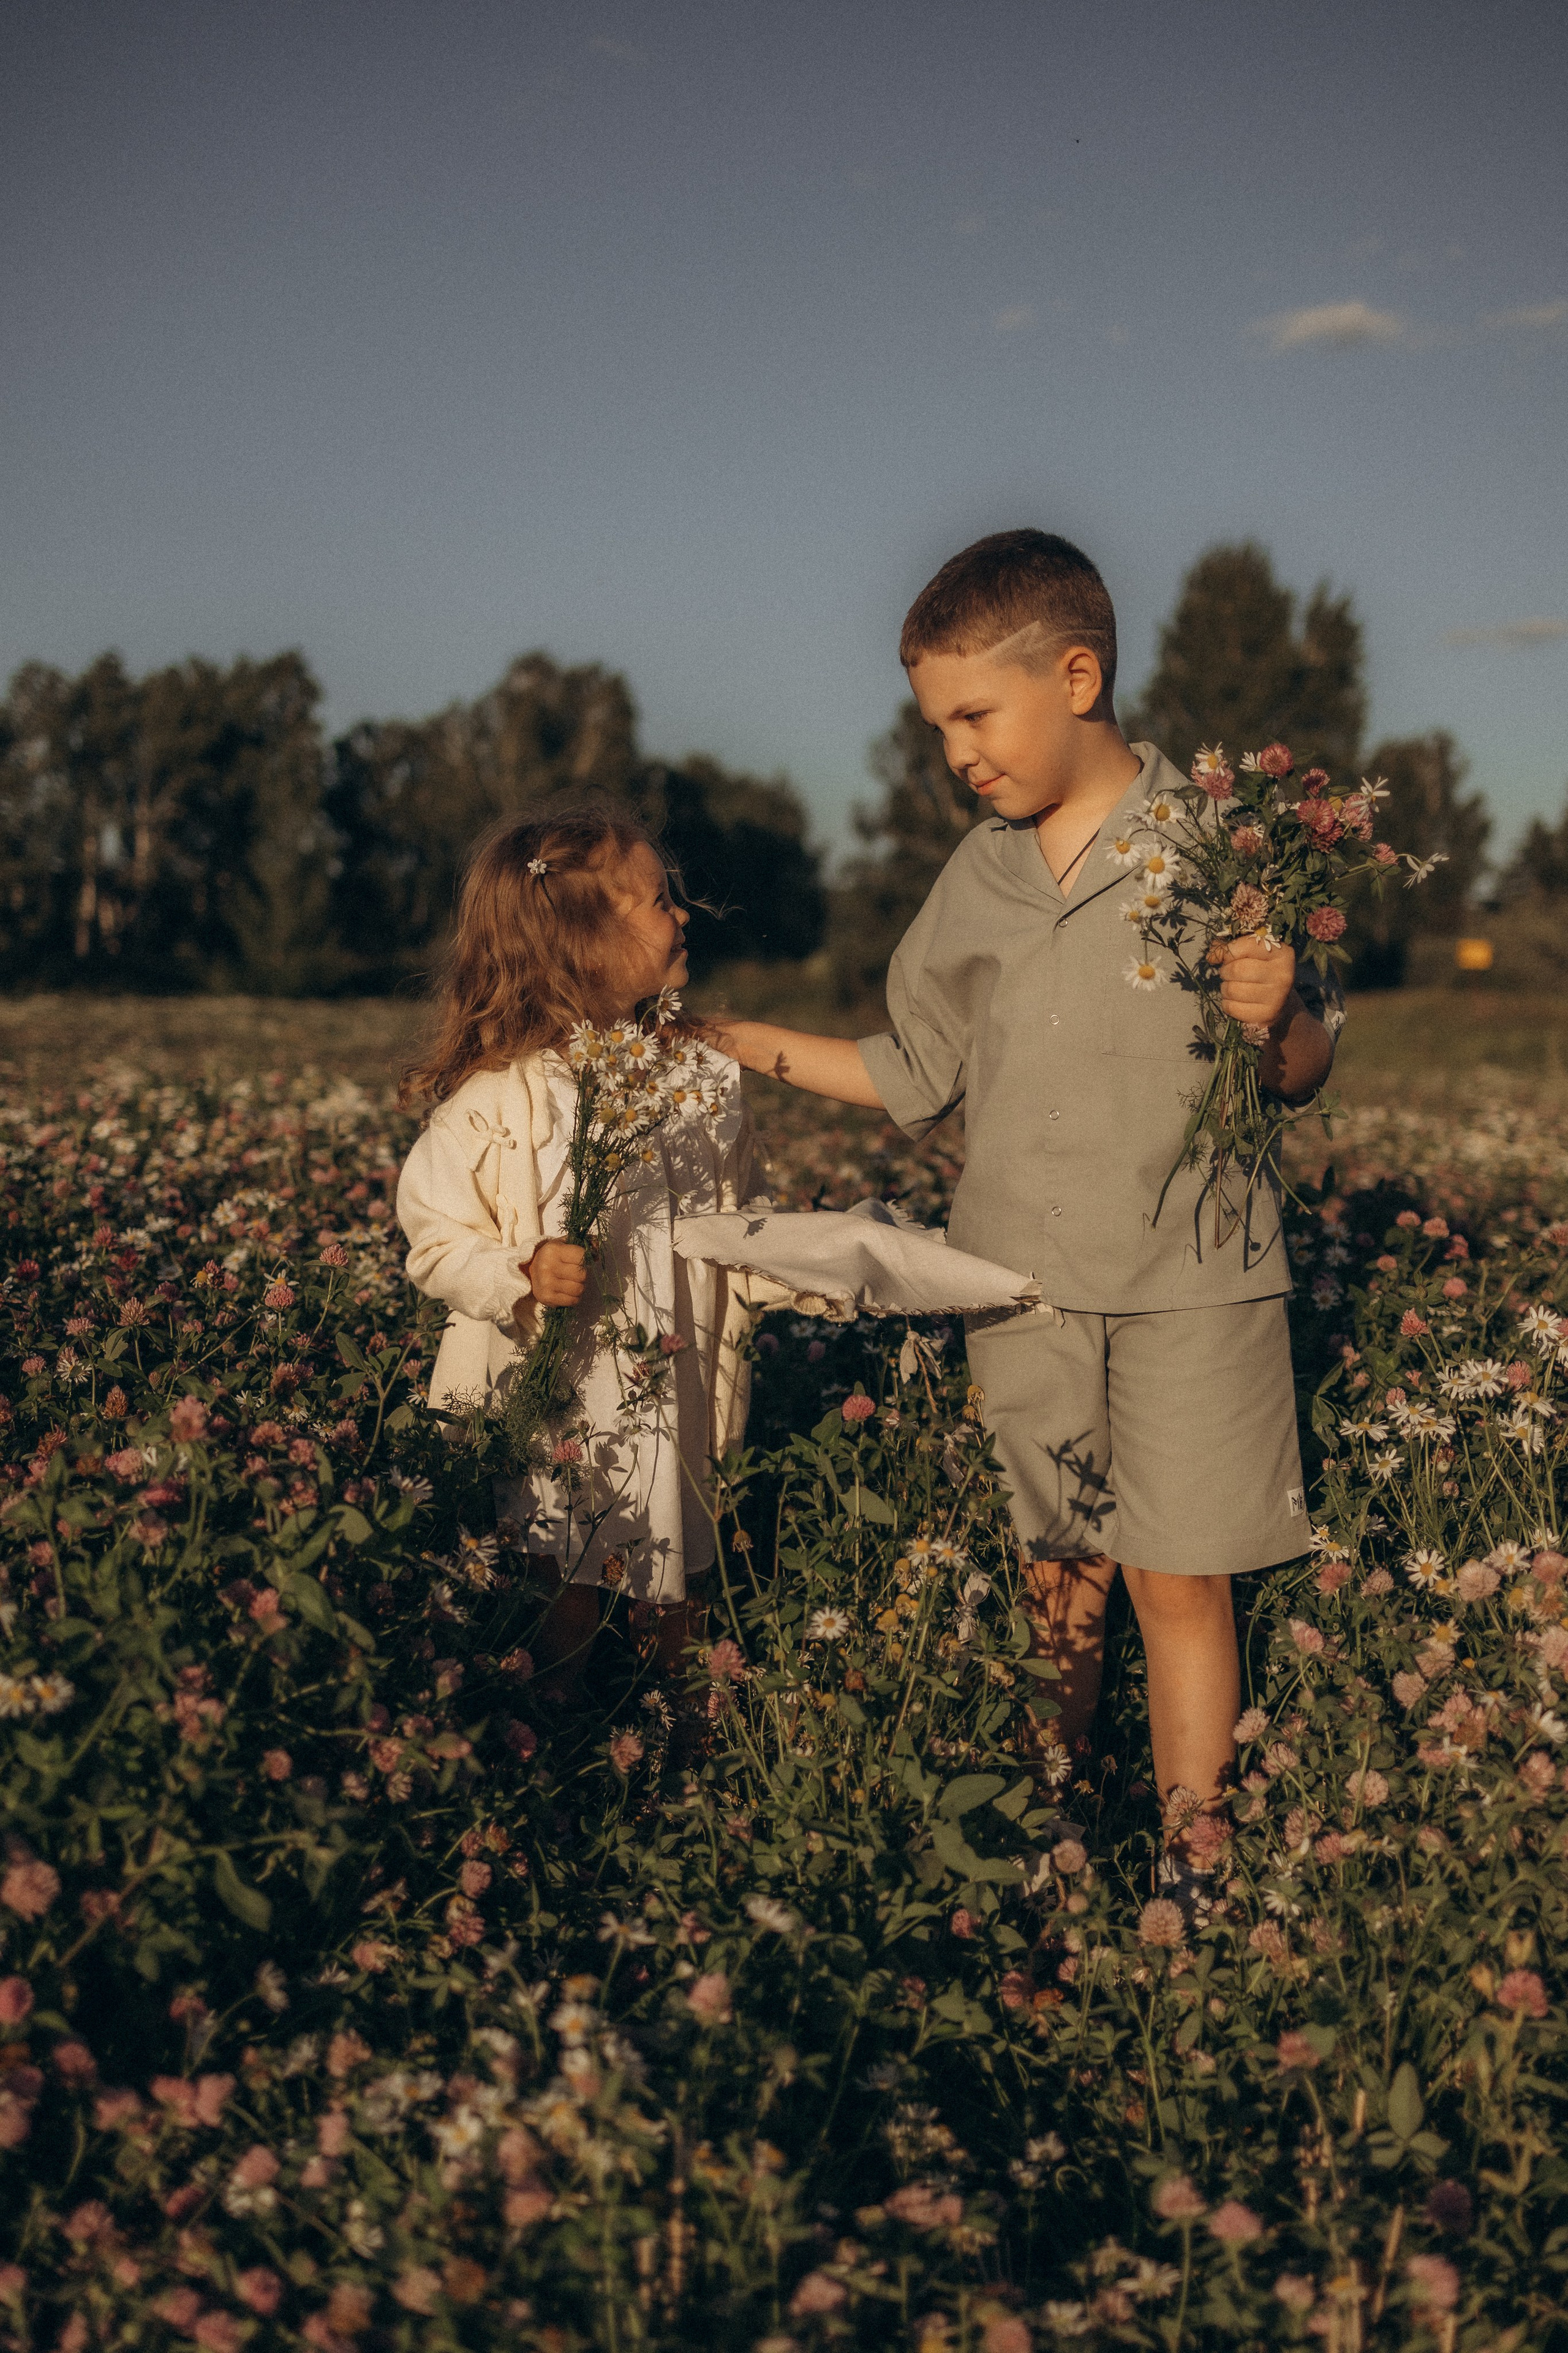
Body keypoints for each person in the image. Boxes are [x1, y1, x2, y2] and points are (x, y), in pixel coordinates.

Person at [706, 529, 1340, 1900]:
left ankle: (1193, 1875)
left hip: (1196, 1283)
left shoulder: (1222, 848)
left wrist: (1276, 1007)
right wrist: (737, 1041)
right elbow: (911, 1071)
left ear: (1077, 677)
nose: (956, 753)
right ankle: (1055, 1850)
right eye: (938, 726)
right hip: (1022, 1286)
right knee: (1058, 1577)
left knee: (1180, 1581)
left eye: (975, 716)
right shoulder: (977, 877)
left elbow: (1298, 1069)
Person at [396, 807, 765, 1696]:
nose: (683, 913)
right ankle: (561, 1741)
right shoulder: (500, 1099)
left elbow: (740, 1223)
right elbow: (436, 1237)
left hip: (669, 1380)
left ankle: (682, 1742)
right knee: (561, 1583)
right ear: (580, 947)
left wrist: (823, 1266)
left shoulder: (701, 1081)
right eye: (659, 902)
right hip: (559, 1395)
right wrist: (518, 1274)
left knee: (676, 1575)